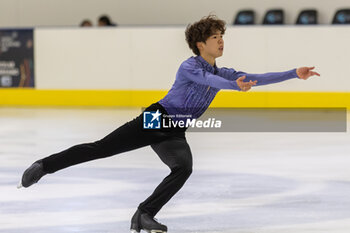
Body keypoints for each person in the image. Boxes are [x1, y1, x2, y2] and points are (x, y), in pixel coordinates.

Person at [18, 15, 320, 233]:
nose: (221, 40)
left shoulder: (226, 71)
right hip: (155, 117)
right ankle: (45, 165)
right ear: (201, 44)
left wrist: (295, 72)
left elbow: (256, 77)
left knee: (183, 167)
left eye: (222, 36)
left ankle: (143, 214)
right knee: (102, 149)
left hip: (175, 129)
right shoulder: (189, 66)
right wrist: (234, 86)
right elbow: (210, 80)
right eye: (215, 37)